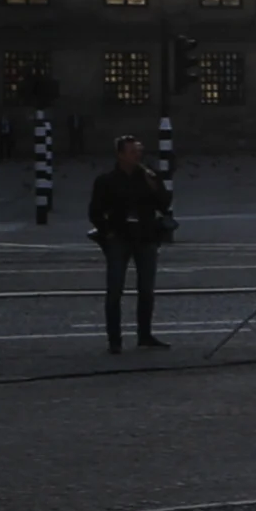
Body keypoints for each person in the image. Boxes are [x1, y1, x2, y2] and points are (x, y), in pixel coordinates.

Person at [89, 135, 172, 352]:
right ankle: (114, 339)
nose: (138, 156)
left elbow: (164, 204)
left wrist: (155, 188)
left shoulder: (147, 176)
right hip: (120, 238)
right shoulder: (106, 181)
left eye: (139, 152)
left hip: (145, 237)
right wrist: (108, 233)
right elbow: (95, 211)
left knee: (146, 289)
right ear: (121, 155)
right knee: (115, 290)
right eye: (133, 152)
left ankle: (145, 335)